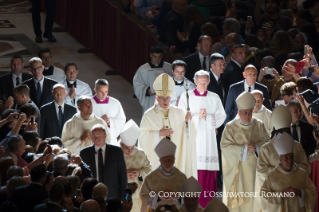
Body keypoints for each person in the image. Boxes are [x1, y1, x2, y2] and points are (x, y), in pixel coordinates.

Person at [178, 70, 226, 207]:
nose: (203, 85)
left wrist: (209, 118)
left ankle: (207, 204)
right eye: (200, 83)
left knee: (208, 173)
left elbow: (222, 116)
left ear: (209, 82)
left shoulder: (214, 97)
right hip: (193, 139)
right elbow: (180, 116)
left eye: (205, 83)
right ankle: (192, 204)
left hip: (209, 139)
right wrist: (196, 117)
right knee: (193, 169)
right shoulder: (186, 96)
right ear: (195, 82)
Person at [138, 73, 195, 178]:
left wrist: (188, 122)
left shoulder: (180, 112)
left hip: (176, 158)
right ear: (157, 99)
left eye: (167, 98)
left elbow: (188, 135)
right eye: (162, 98)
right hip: (157, 159)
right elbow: (142, 136)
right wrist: (158, 133)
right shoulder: (149, 115)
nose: (165, 101)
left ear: (170, 98)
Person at [221, 91, 269, 211]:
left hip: (256, 169)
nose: (247, 116)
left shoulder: (260, 125)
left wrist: (257, 147)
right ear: (238, 112)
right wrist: (243, 149)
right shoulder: (230, 127)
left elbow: (268, 143)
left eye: (249, 112)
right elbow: (224, 146)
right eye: (244, 113)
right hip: (239, 170)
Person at [260, 132, 316, 212]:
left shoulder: (302, 173)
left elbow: (312, 191)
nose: (290, 161)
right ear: (280, 159)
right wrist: (281, 195)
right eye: (286, 158)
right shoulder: (272, 175)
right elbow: (263, 195)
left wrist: (300, 193)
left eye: (291, 157)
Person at [257, 105, 311, 186]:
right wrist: (281, 171)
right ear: (276, 133)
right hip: (276, 190)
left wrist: (292, 169)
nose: (285, 135)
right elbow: (261, 171)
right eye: (282, 132)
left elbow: (306, 167)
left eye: (287, 131)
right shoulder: (266, 149)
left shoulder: (297, 146)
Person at [138, 138, 187, 211]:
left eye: (170, 159)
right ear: (160, 161)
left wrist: (178, 197)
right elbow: (143, 196)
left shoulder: (182, 177)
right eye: (164, 160)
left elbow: (190, 198)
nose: (167, 162)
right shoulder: (150, 178)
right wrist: (158, 197)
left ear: (174, 160)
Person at [80, 124, 127, 200]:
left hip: (112, 195)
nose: (96, 139)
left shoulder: (116, 151)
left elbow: (122, 175)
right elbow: (82, 177)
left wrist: (123, 198)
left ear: (105, 135)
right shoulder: (84, 153)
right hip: (91, 195)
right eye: (94, 136)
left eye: (99, 136)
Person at [119, 119, 152, 212]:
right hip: (120, 195)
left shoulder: (141, 153)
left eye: (132, 148)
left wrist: (140, 173)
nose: (130, 151)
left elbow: (149, 170)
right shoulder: (115, 154)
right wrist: (123, 174)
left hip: (138, 195)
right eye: (126, 148)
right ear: (121, 144)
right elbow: (108, 173)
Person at [133, 45, 172, 113]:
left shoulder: (168, 68)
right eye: (155, 57)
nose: (157, 59)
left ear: (162, 56)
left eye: (159, 57)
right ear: (150, 55)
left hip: (165, 99)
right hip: (149, 100)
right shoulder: (143, 69)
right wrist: (147, 91)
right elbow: (137, 83)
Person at [91, 79, 126, 145]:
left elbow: (122, 120)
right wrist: (99, 121)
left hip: (110, 140)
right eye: (101, 92)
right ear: (95, 90)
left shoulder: (115, 103)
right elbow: (84, 121)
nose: (104, 94)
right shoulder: (89, 103)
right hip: (94, 140)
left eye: (106, 91)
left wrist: (110, 121)